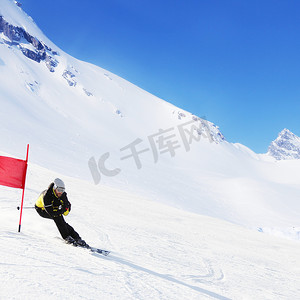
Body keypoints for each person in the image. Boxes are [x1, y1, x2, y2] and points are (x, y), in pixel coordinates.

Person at [35, 178, 87, 247]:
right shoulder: (47, 196)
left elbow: (66, 208)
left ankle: (77, 238)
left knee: (62, 221)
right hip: (42, 209)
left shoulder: (63, 194)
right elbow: (51, 212)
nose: (60, 192)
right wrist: (61, 210)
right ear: (54, 188)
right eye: (59, 190)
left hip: (53, 208)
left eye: (62, 190)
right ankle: (66, 237)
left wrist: (65, 208)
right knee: (58, 218)